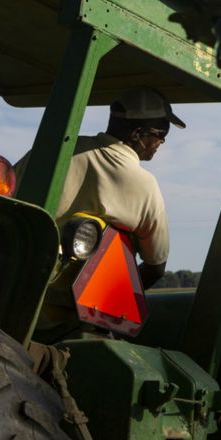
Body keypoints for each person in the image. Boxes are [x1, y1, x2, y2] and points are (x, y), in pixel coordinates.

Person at [33, 87, 185, 289]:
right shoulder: (145, 186)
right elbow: (155, 267)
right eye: (160, 134)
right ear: (137, 134)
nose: (161, 142)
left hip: (16, 279)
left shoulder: (56, 151)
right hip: (72, 311)